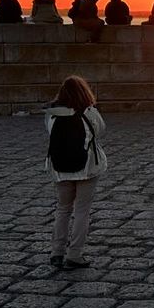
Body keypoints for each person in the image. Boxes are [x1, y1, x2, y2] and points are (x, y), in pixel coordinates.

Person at [44, 75, 107, 270]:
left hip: (61, 169)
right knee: (81, 211)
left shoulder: (52, 115)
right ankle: (75, 254)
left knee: (63, 209)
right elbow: (101, 131)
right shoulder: (89, 113)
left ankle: (56, 252)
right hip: (85, 167)